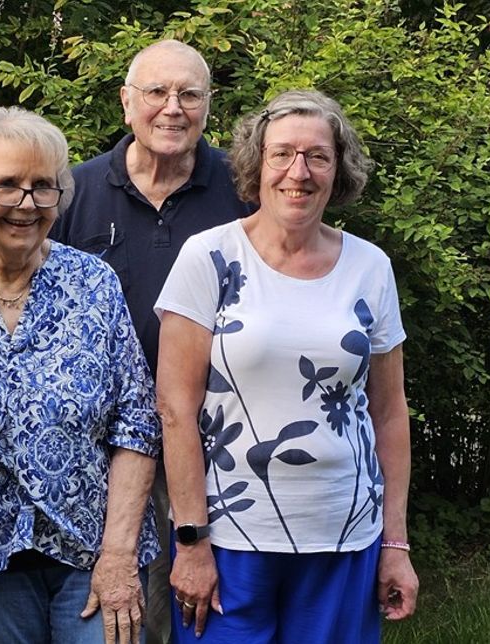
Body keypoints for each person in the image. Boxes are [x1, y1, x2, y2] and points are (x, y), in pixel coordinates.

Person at [154, 89, 419, 643]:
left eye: (317, 156)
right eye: (282, 155)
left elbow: (390, 413)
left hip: (344, 536)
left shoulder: (371, 267)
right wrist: (191, 540)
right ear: (258, 163)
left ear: (338, 168)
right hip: (230, 539)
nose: (298, 172)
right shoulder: (209, 257)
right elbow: (176, 407)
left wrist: (395, 544)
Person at [0, 106, 160, 644]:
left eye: (42, 186)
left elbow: (137, 423)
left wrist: (118, 555)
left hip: (93, 556)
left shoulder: (93, 282)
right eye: (8, 186)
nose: (26, 204)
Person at [50, 40, 252, 644]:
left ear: (209, 105)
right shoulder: (73, 191)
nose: (173, 108)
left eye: (189, 94)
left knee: (204, 603)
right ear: (126, 103)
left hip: (215, 437)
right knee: (120, 604)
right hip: (104, 443)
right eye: (157, 93)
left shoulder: (241, 190)